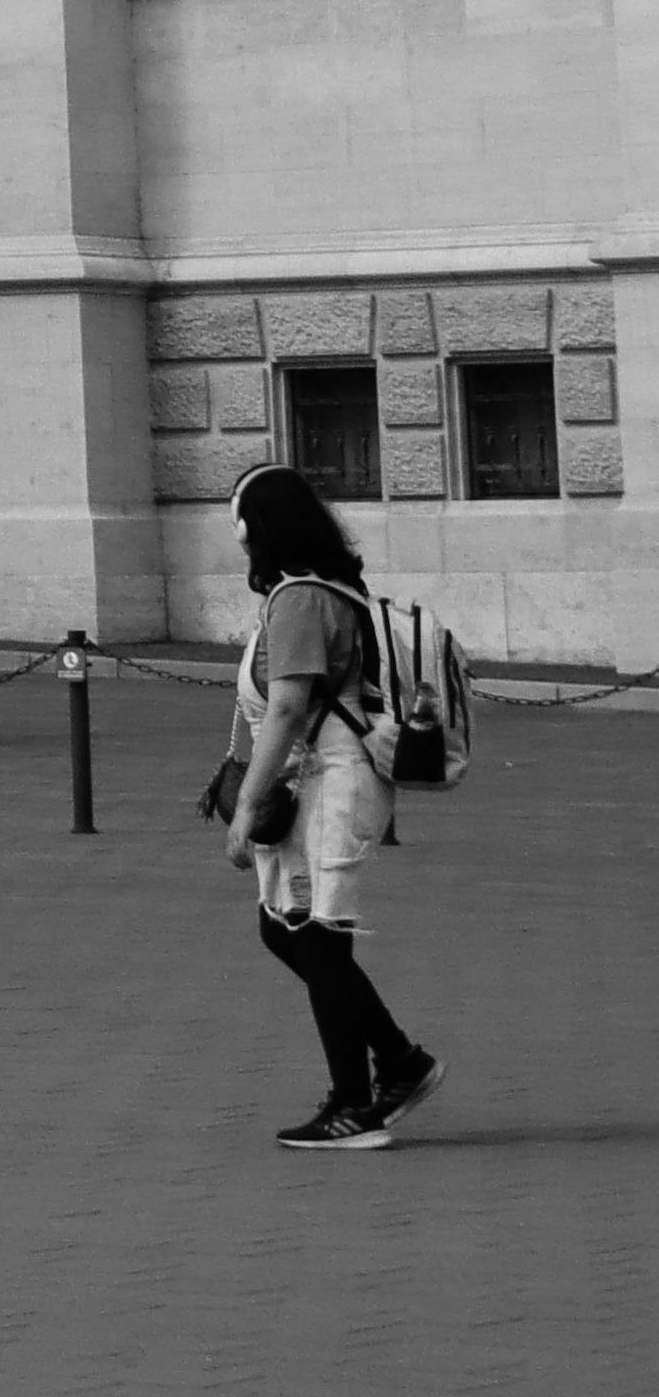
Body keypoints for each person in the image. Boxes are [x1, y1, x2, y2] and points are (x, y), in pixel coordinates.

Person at [208, 459, 435, 1147]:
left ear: (261, 525)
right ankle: (399, 1062)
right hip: (320, 779)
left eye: (241, 524)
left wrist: (246, 805)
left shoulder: (302, 599)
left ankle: (356, 1105)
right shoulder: (311, 589)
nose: (239, 539)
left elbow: (285, 707)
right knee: (286, 930)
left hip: (333, 780)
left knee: (316, 936)